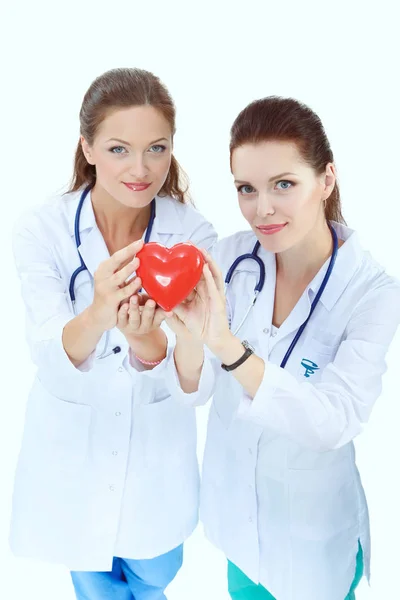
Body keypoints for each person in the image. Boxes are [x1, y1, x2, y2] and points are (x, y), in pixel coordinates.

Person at [160, 96, 400, 600]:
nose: (261, 209)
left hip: (311, 538)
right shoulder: (227, 258)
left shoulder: (372, 292)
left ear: (326, 180)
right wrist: (186, 337)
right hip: (238, 523)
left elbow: (334, 421)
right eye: (246, 189)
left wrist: (226, 346)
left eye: (283, 185)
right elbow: (193, 392)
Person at [9, 67, 217, 600]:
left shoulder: (192, 236)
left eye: (157, 148)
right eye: (120, 148)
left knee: (155, 571)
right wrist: (101, 311)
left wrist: (150, 346)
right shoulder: (42, 229)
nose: (141, 169)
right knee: (91, 571)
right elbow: (47, 351)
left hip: (157, 454)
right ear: (88, 147)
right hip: (72, 449)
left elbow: (197, 376)